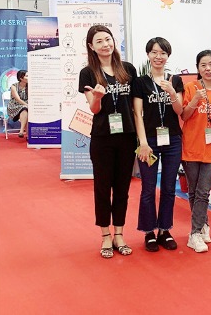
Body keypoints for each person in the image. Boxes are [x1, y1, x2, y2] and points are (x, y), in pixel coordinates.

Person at [78, 25, 137, 259]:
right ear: (91, 46)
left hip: (127, 136)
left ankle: (119, 234)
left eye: (108, 39)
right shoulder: (87, 73)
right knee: (103, 188)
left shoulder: (127, 69)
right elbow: (94, 109)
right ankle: (105, 235)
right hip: (102, 137)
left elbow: (135, 106)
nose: (105, 44)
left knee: (122, 188)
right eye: (99, 41)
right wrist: (98, 98)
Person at [133, 37, 184, 252]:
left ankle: (164, 229)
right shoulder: (140, 82)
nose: (158, 57)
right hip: (150, 141)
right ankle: (148, 232)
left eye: (162, 53)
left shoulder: (175, 80)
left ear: (168, 56)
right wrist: (143, 142)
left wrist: (171, 92)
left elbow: (180, 111)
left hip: (173, 140)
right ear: (148, 55)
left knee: (169, 188)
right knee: (148, 187)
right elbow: (138, 114)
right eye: (154, 52)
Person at [181, 50, 211, 253]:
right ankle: (202, 226)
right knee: (193, 192)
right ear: (198, 69)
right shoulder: (191, 87)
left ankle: (194, 233)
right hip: (191, 147)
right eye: (203, 65)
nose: (208, 69)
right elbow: (184, 115)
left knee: (203, 192)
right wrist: (194, 101)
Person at [7, 70, 29, 138]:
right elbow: (18, 99)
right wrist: (27, 105)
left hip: (25, 106)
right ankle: (23, 131)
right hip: (14, 106)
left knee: (25, 110)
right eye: (27, 76)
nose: (29, 77)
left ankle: (24, 133)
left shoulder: (30, 86)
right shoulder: (14, 86)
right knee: (25, 108)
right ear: (21, 78)